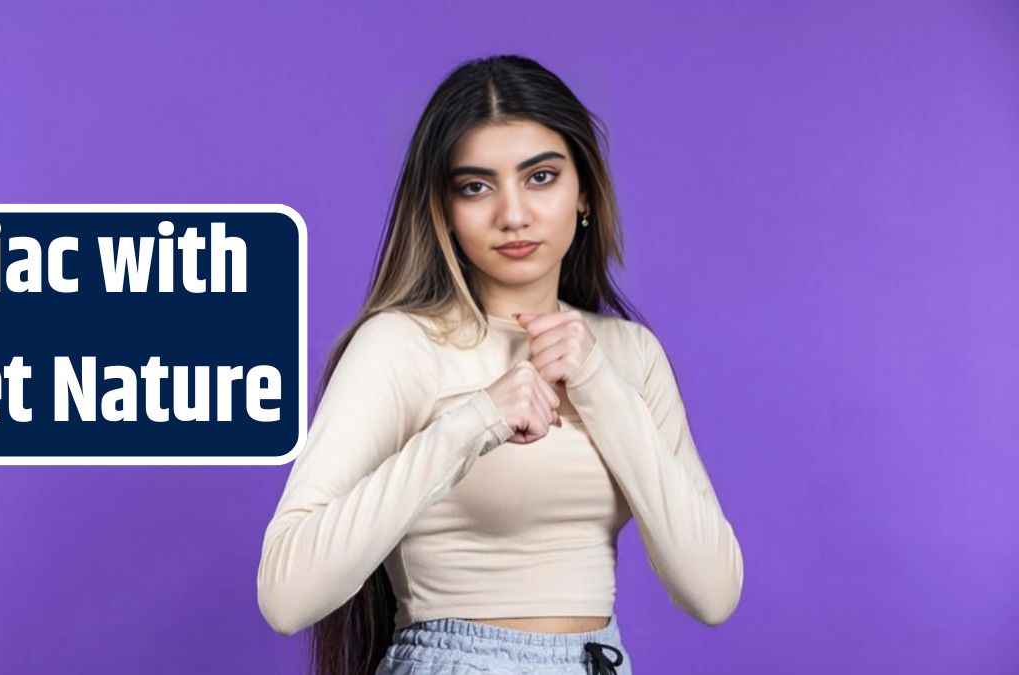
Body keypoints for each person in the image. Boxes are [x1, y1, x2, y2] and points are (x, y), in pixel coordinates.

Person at [257, 54, 744, 675]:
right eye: (476, 186)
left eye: (540, 177)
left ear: (585, 192)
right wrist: (476, 419)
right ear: (445, 212)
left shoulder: (629, 355)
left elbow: (712, 592)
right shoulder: (401, 345)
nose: (512, 215)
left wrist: (598, 385)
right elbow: (285, 595)